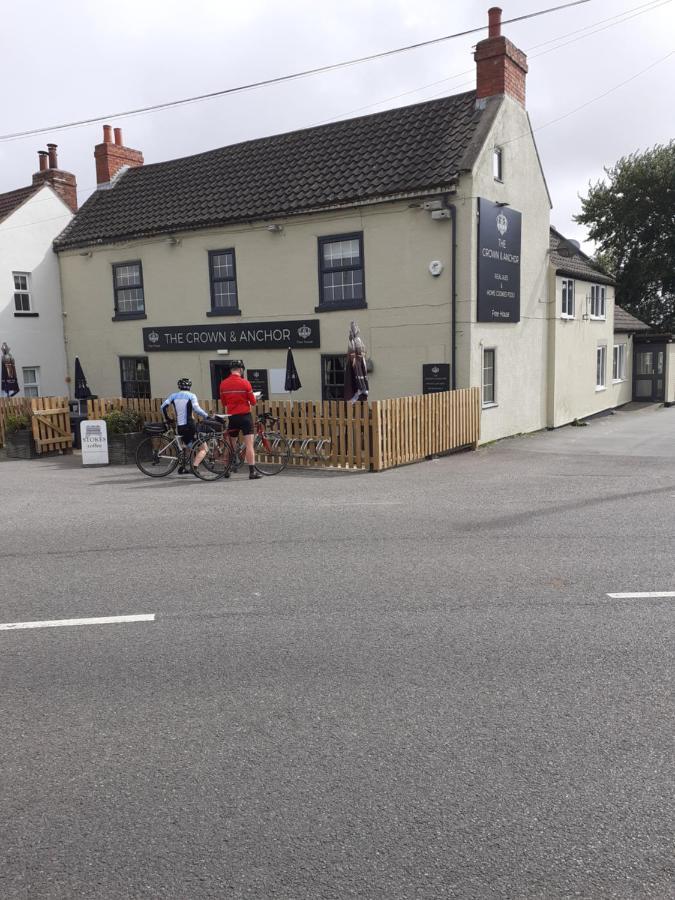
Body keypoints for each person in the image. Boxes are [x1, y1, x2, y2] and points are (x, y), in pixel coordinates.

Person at [219, 361, 263, 480]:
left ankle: (226, 470)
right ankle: (252, 472)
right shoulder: (245, 383)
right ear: (241, 369)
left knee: (230, 444)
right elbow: (253, 402)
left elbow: (224, 402)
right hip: (245, 416)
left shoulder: (223, 384)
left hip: (232, 416)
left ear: (230, 370)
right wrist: (253, 398)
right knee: (249, 445)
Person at [161, 378, 212, 475]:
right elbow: (196, 409)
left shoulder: (173, 396)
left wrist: (168, 418)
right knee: (204, 448)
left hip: (180, 426)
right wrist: (206, 416)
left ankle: (184, 467)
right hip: (190, 425)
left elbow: (162, 407)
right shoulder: (191, 395)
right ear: (189, 387)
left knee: (190, 446)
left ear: (179, 387)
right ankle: (194, 468)